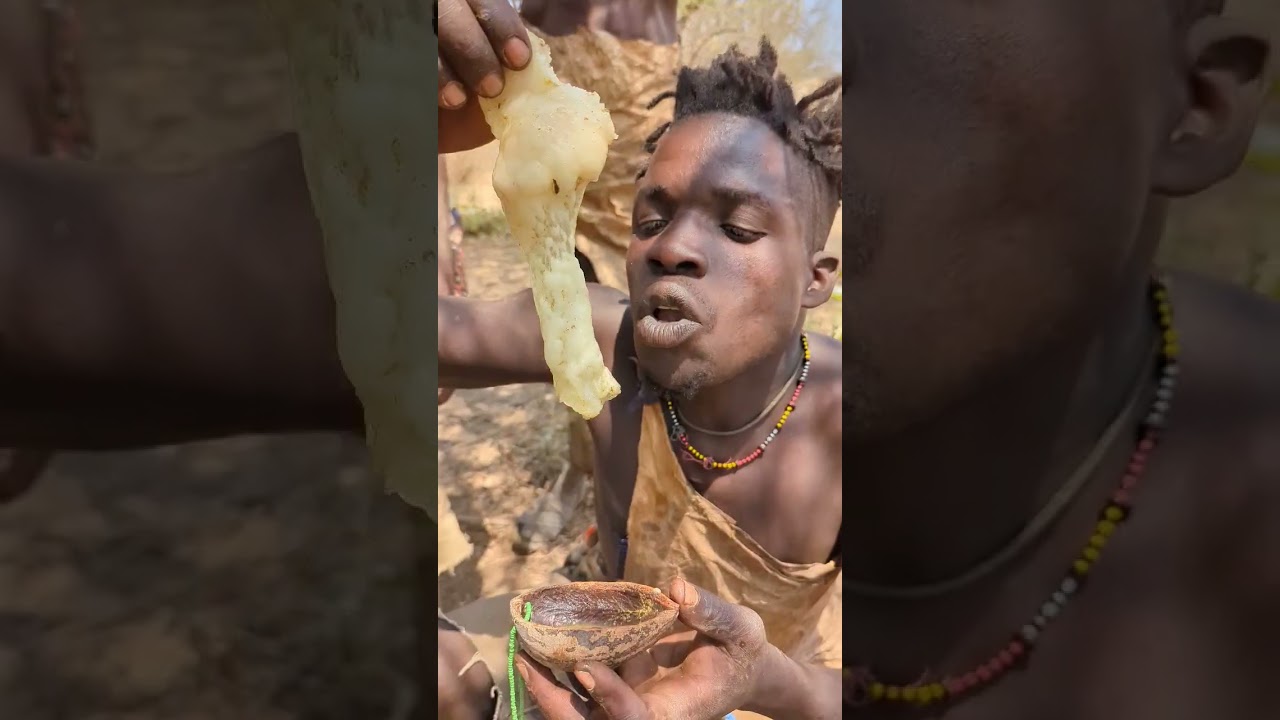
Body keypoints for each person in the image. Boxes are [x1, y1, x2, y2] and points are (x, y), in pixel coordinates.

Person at [436, 19, 843, 720]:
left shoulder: (852, 424)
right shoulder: (602, 340)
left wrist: (763, 681)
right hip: (590, 671)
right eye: (650, 222)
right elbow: (404, 330)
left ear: (815, 279)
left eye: (738, 228)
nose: (673, 247)